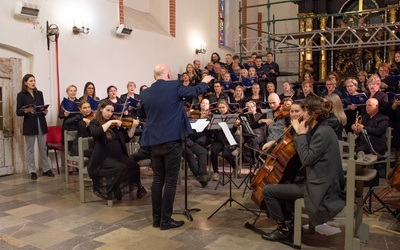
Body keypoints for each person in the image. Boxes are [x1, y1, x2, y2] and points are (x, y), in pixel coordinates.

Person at [138, 64, 212, 230]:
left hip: (154, 141)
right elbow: (193, 91)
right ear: (169, 74)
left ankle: (156, 219)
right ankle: (166, 220)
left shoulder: (145, 93)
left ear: (154, 75)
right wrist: (205, 81)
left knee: (158, 180)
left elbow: (141, 114)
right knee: (171, 181)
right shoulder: (173, 86)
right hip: (172, 140)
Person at [261, 96, 345, 241]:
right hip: (321, 182)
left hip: (320, 189)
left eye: (304, 110)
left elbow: (306, 159)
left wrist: (300, 134)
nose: (301, 115)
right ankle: (292, 224)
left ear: (311, 112)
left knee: (268, 191)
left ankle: (283, 229)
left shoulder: (322, 133)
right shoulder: (322, 129)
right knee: (288, 181)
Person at [88, 100, 147, 201]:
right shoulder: (95, 122)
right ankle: (113, 191)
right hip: (103, 158)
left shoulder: (116, 125)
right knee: (120, 167)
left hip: (119, 156)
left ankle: (138, 187)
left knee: (134, 165)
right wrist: (110, 122)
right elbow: (95, 133)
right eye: (108, 110)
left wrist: (133, 127)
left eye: (112, 111)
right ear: (101, 109)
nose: (110, 113)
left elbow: (127, 138)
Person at [16, 74, 55, 180]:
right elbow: (18, 112)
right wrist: (26, 110)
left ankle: (46, 169)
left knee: (43, 147)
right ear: (25, 83)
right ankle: (32, 171)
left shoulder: (39, 93)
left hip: (41, 122)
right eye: (31, 81)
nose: (33, 82)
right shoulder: (21, 95)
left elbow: (41, 108)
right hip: (29, 124)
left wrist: (44, 111)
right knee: (30, 149)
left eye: (34, 80)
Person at [209, 99, 240, 181]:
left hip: (228, 140)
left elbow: (232, 132)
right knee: (213, 151)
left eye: (223, 107)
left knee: (226, 153)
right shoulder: (216, 117)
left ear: (227, 107)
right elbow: (213, 132)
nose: (221, 109)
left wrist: (236, 126)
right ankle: (216, 172)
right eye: (219, 108)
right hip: (218, 140)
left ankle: (235, 167)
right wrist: (210, 126)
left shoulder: (231, 117)